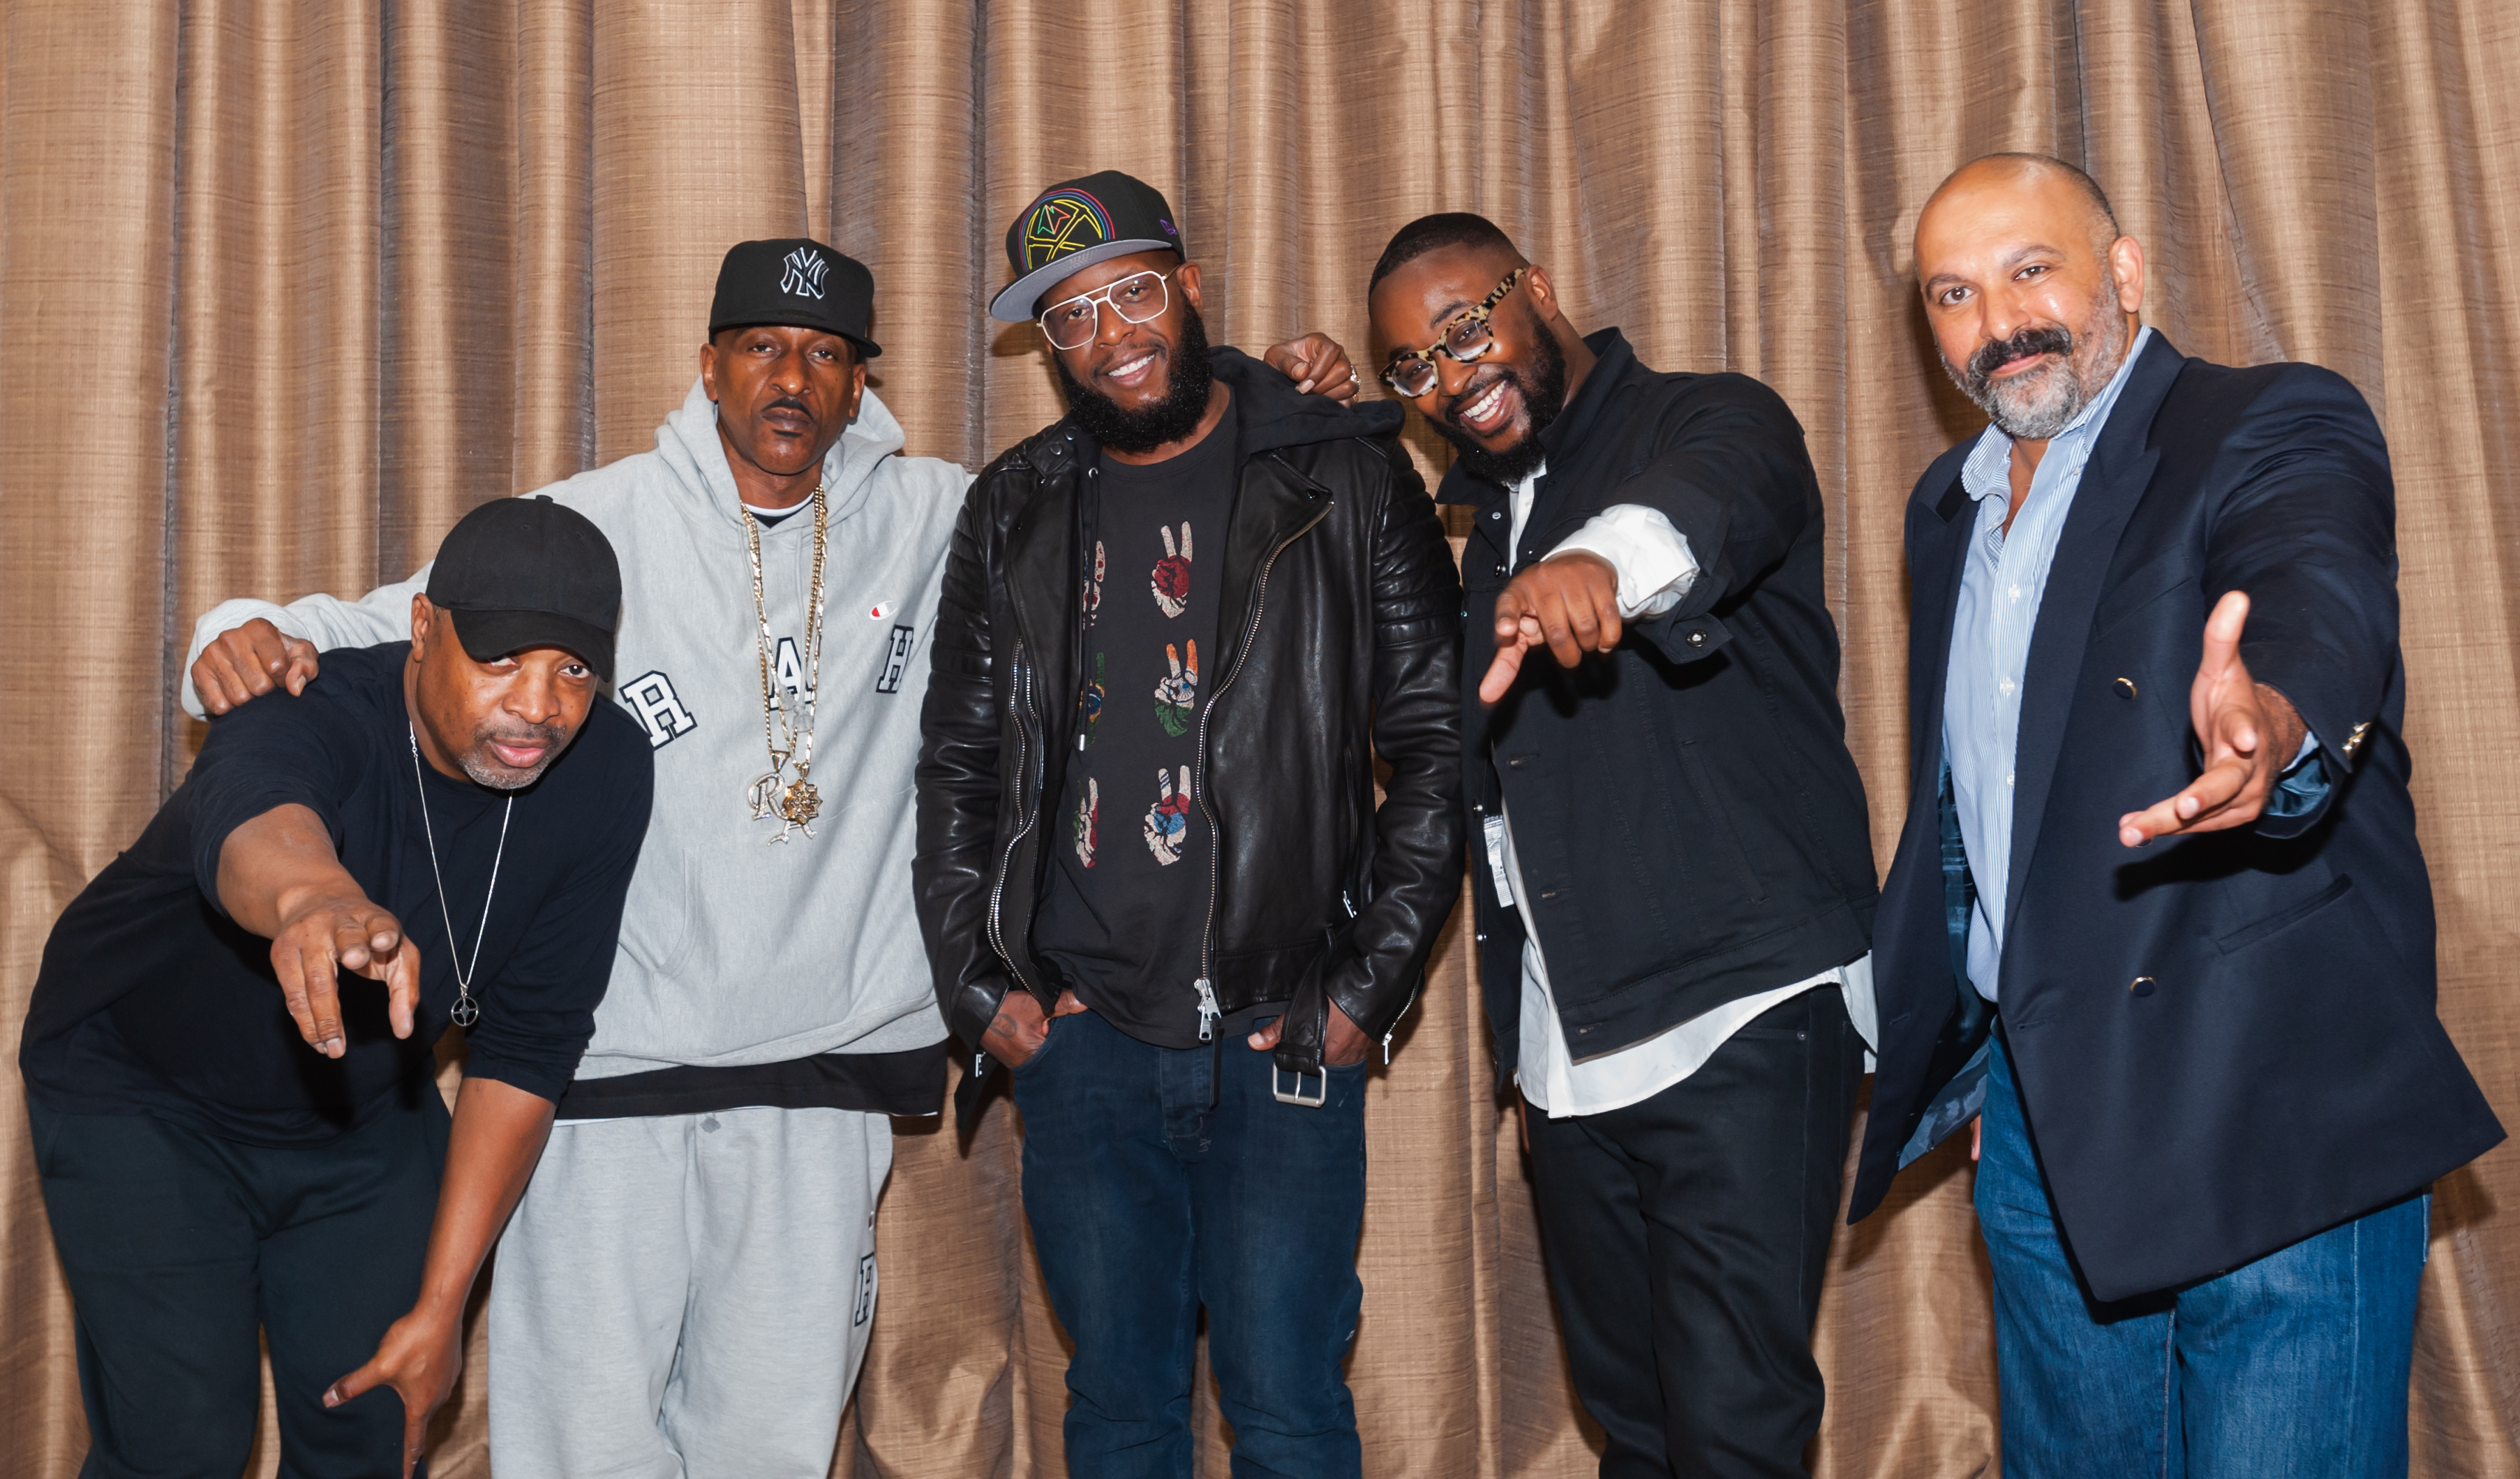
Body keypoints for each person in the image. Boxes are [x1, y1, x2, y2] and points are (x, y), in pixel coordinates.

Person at [179, 237, 1361, 1478]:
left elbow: (1150, 457)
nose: (791, 378)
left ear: (859, 384)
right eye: (761, 347)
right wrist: (239, 635)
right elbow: (387, 627)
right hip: (597, 1082)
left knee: (770, 1451)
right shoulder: (598, 522)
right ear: (708, 366)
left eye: (825, 354)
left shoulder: (949, 514)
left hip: (820, 1081)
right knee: (580, 1449)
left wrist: (1264, 389)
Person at [1849, 153, 2505, 1478]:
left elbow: (2313, 584)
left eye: (2031, 270)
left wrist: (2272, 720)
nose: (1997, 323)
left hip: (2266, 1082)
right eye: (1953, 294)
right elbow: (1985, 799)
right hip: (2046, 1113)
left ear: (2126, 271)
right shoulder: (1945, 508)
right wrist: (1995, 1034)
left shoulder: (2263, 420)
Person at [914, 170, 1462, 1479]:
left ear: (1189, 285)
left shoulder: (1339, 465)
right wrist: (978, 982)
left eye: (1133, 293)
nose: (1112, 336)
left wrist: (1364, 988)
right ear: (1046, 345)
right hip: (1085, 1040)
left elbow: (1439, 749)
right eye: (1071, 317)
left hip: (1286, 1027)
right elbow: (960, 762)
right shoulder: (1013, 506)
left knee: (1284, 1403)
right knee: (1118, 1409)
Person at [1365, 214, 1880, 1479]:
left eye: (1465, 324)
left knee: (1731, 1427)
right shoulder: (1479, 526)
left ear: (1537, 288)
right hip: (1576, 1057)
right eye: (1411, 366)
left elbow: (1714, 500)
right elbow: (1498, 807)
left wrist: (1599, 557)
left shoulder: (1709, 417)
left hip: (1740, 1012)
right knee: (1633, 1420)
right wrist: (1544, 1053)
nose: (1448, 372)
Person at [24, 498, 651, 1478]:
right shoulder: (308, 705)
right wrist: (315, 899)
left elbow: (529, 1046)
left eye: (571, 669)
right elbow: (255, 814)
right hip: (140, 1090)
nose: (539, 706)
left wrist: (442, 1310)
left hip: (365, 1107)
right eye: (500, 659)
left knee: (373, 1419)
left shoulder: (606, 766)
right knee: (182, 1443)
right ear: (421, 628)